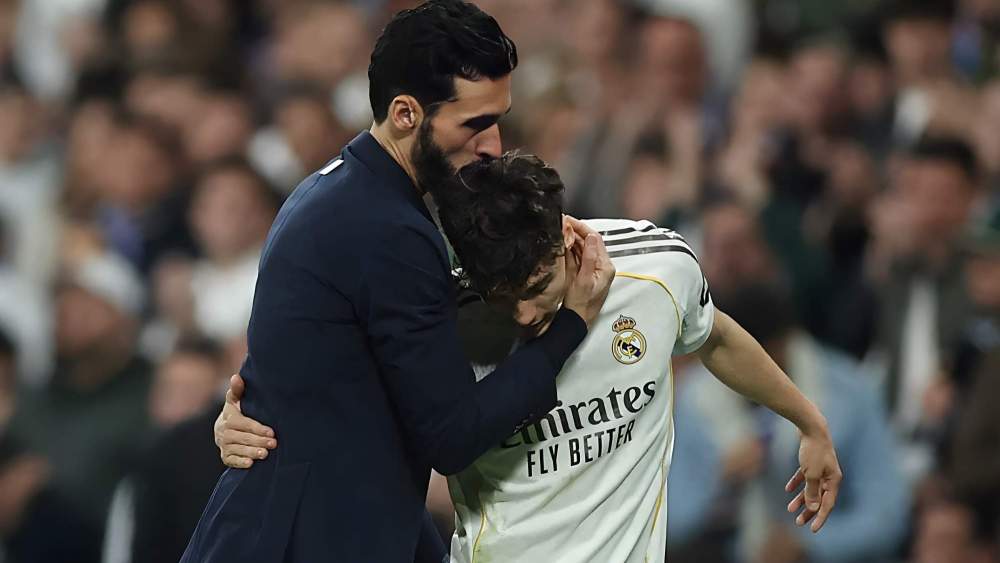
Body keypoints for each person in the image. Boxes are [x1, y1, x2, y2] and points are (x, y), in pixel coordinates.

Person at [219, 152, 842, 562]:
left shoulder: (657, 268)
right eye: (504, 298)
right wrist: (244, 419)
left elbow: (715, 335)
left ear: (567, 236)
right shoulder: (437, 316)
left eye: (537, 288)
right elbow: (339, 396)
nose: (521, 315)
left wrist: (807, 420)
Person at [180, 2, 614, 562]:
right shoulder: (387, 229)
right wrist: (572, 324)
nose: (493, 145)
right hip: (309, 540)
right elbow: (452, 435)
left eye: (498, 118)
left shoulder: (332, 190)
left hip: (329, 522)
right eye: (475, 124)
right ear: (406, 113)